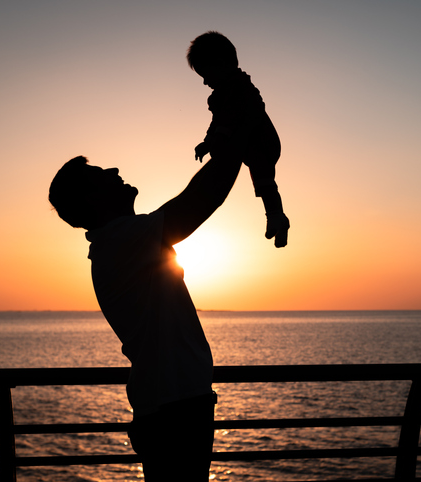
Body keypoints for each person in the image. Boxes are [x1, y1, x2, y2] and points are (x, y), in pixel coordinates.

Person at [48, 152, 242, 480]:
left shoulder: (120, 242)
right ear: (93, 199)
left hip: (171, 403)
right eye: (101, 174)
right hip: (174, 407)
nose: (114, 169)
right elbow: (199, 200)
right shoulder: (120, 240)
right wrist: (235, 142)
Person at [187, 31, 290, 248]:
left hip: (262, 141)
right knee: (261, 182)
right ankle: (279, 218)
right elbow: (218, 121)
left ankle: (276, 216)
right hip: (245, 145)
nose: (205, 82)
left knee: (264, 180)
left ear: (221, 64)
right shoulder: (219, 97)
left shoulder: (241, 87)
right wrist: (208, 140)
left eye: (206, 74)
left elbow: (238, 113)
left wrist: (220, 136)